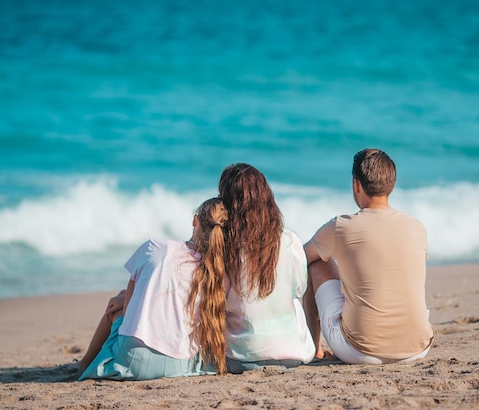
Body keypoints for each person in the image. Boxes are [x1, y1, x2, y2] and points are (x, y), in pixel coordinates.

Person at [303, 148, 434, 364]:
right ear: (391, 184)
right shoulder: (416, 226)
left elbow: (300, 259)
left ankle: (315, 349)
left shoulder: (341, 227)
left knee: (318, 262)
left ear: (356, 185)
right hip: (417, 348)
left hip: (360, 351)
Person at [77, 197, 228, 380]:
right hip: (178, 364)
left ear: (195, 220)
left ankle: (84, 363)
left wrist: (122, 299)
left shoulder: (156, 247)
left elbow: (128, 310)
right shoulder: (217, 271)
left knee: (119, 303)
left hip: (133, 359)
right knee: (123, 297)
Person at [218, 163, 315, 373]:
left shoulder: (226, 247)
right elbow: (299, 289)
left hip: (243, 357)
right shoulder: (289, 240)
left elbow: (217, 301)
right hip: (293, 353)